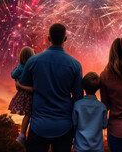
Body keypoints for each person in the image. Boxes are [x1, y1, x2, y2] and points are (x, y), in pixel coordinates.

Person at [19, 23, 83, 152]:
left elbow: (23, 85)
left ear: (49, 38)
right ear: (65, 39)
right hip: (64, 126)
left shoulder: (33, 61)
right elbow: (78, 98)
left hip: (38, 125)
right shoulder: (75, 65)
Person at [72, 72, 108, 152]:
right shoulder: (102, 107)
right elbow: (105, 125)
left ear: (83, 86)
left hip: (80, 147)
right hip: (97, 147)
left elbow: (74, 124)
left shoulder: (77, 105)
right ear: (98, 88)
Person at [8, 46, 35, 146]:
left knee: (27, 114)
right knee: (30, 114)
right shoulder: (33, 66)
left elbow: (12, 75)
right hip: (30, 92)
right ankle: (24, 135)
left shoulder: (20, 67)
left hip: (22, 94)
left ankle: (22, 134)